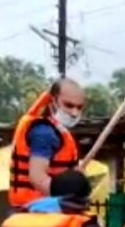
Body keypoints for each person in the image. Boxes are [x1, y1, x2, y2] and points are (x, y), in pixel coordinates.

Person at [8, 78, 85, 209]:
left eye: (79, 107)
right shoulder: (44, 133)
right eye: (68, 105)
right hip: (35, 211)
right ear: (53, 101)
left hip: (47, 208)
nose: (74, 113)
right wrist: (68, 198)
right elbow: (37, 177)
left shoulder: (59, 131)